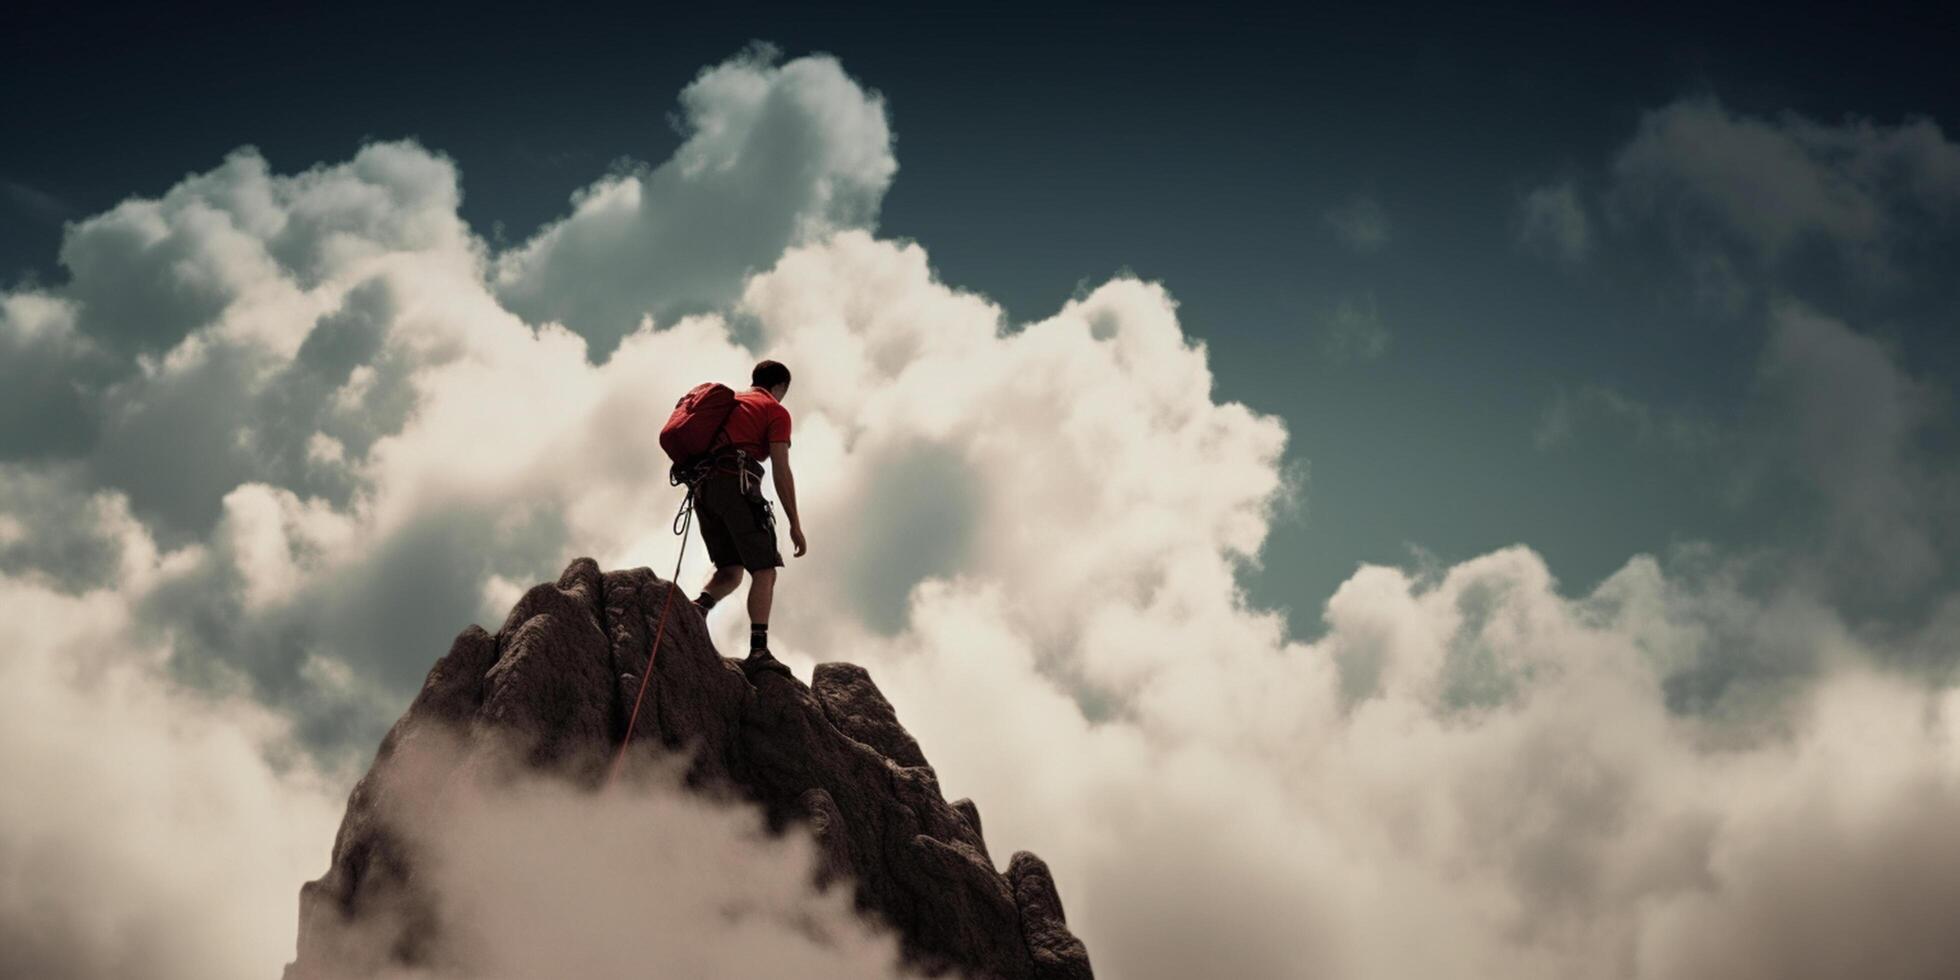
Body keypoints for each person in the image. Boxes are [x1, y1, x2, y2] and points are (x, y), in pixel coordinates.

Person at [691, 359, 807, 677]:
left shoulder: (732, 403)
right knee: (765, 570)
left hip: (703, 489)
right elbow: (781, 469)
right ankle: (759, 651)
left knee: (730, 570)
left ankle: (693, 613)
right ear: (780, 387)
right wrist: (795, 523)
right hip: (738, 483)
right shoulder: (775, 410)